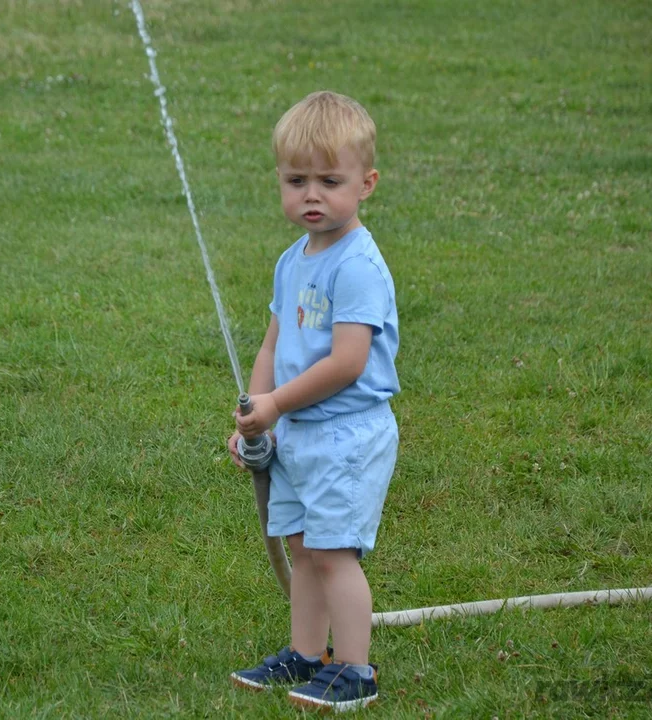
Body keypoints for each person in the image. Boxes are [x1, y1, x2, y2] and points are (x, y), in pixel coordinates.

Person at [226, 90, 400, 712]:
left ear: (367, 183)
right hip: (299, 428)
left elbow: (348, 363)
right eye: (296, 180)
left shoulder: (357, 265)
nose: (312, 195)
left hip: (346, 433)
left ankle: (357, 670)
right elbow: (276, 340)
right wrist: (257, 409)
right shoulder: (292, 261)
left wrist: (277, 407)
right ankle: (306, 654)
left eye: (330, 180)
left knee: (333, 553)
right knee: (303, 548)